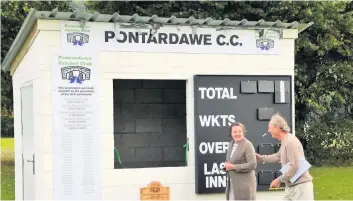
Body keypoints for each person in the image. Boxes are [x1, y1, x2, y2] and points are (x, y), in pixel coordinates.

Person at [256, 113, 314, 201]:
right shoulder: (286, 141)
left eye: (270, 128)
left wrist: (279, 180)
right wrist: (260, 158)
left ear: (277, 128)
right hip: (292, 187)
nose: (268, 130)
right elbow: (278, 156)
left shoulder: (290, 142)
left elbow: (295, 166)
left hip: (300, 189)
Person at [225, 122, 257, 200]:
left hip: (244, 186)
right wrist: (227, 167)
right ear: (231, 133)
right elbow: (231, 162)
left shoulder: (247, 145)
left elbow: (253, 164)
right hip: (233, 184)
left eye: (239, 131)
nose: (237, 134)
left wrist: (233, 167)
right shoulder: (230, 144)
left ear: (243, 132)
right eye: (234, 132)